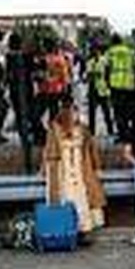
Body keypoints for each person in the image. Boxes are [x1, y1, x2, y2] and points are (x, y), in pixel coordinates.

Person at [41, 95, 106, 237]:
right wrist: (46, 169)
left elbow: (91, 147)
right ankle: (67, 227)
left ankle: (82, 228)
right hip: (62, 168)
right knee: (66, 196)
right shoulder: (55, 128)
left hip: (80, 165)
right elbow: (49, 150)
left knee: (82, 196)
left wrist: (96, 166)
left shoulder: (83, 128)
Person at [36, 39, 71, 139]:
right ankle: (53, 134)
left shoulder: (44, 59)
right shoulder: (60, 59)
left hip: (46, 90)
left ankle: (49, 134)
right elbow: (65, 76)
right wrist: (65, 88)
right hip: (55, 90)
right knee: (53, 113)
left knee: (40, 113)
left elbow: (63, 75)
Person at [106, 34, 135, 141]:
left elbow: (107, 68)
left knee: (118, 112)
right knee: (129, 111)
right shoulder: (129, 51)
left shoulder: (110, 52)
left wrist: (107, 83)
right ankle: (130, 133)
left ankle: (122, 134)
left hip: (116, 85)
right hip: (129, 85)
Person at [6, 33, 34, 147]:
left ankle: (24, 136)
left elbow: (8, 75)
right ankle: (26, 135)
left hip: (15, 88)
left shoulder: (9, 57)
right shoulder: (27, 56)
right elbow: (32, 70)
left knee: (19, 112)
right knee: (27, 112)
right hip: (26, 88)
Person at [86, 42, 115, 137]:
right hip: (93, 90)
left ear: (99, 50)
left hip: (103, 90)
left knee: (106, 112)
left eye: (95, 49)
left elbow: (108, 73)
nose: (93, 51)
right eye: (92, 50)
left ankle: (110, 131)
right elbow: (89, 76)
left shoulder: (105, 61)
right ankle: (91, 132)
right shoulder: (89, 62)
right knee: (91, 113)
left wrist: (109, 86)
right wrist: (93, 75)